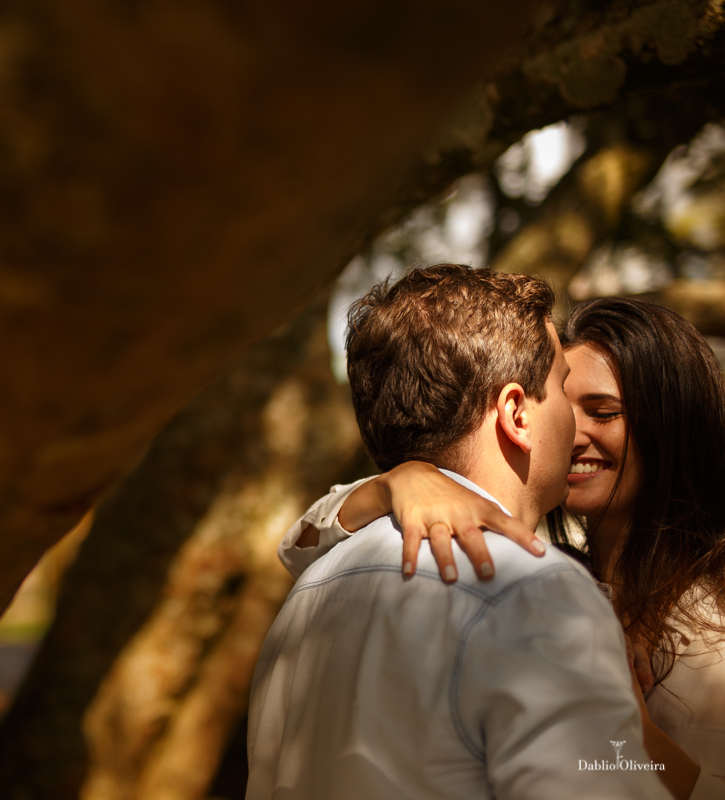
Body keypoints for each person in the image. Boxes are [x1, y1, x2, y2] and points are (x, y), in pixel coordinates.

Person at [247, 265, 669, 800]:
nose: (577, 424)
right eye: (562, 387)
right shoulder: (534, 591)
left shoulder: (310, 590)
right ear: (516, 413)